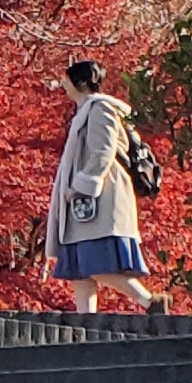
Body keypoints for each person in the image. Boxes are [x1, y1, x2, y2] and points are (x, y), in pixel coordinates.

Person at [42, 58, 167, 316]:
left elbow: (103, 152)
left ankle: (149, 301)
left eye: (68, 79)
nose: (64, 84)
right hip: (84, 203)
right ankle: (86, 320)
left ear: (80, 82)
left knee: (92, 263)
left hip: (99, 199)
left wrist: (82, 185)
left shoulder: (100, 109)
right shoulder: (87, 110)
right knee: (78, 265)